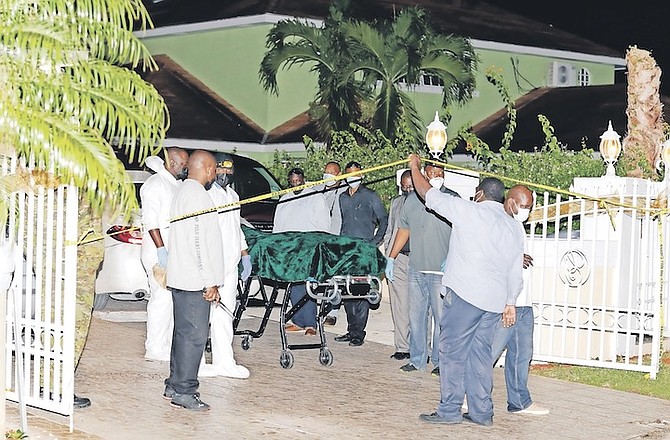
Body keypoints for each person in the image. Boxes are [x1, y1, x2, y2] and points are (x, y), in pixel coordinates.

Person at [409, 153, 527, 427]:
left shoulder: (468, 210)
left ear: (479, 194)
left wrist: (415, 166)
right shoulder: (513, 228)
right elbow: (514, 271)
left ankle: (449, 410)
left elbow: (427, 194)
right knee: (480, 355)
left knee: (451, 351)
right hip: (493, 303)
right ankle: (481, 412)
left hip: (465, 297)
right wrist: (510, 301)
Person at [164, 150, 223, 411]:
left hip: (183, 277)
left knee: (182, 334)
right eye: (214, 170)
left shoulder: (183, 191)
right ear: (208, 169)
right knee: (195, 337)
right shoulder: (197, 195)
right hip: (194, 281)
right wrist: (209, 280)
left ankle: (174, 383)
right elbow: (199, 243)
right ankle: (185, 391)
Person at [387, 164, 459, 376]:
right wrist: (390, 258)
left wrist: (454, 257)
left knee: (441, 318)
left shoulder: (452, 199)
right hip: (416, 268)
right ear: (424, 175)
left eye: (440, 174)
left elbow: (463, 231)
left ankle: (439, 360)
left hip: (441, 270)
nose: (437, 177)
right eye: (433, 174)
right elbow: (404, 229)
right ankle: (417, 358)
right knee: (416, 316)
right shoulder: (412, 200)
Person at [490, 185, 549, 416]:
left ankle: (519, 402)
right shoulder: (499, 224)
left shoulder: (518, 225)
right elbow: (489, 258)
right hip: (506, 303)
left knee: (522, 354)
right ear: (511, 202)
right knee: (490, 352)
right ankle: (469, 395)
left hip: (524, 303)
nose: (527, 211)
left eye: (530, 207)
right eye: (524, 206)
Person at [198, 154, 252, 379]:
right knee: (203, 316)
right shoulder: (205, 197)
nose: (225, 174)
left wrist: (244, 254)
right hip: (212, 265)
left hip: (230, 266)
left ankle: (225, 362)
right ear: (213, 170)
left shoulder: (233, 195)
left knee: (225, 315)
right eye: (221, 169)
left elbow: (235, 228)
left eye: (229, 170)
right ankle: (198, 363)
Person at [139, 147, 189, 362]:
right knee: (161, 299)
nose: (185, 169)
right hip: (158, 250)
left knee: (169, 301)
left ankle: (165, 345)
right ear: (171, 162)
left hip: (173, 250)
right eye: (183, 165)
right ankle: (154, 347)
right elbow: (151, 221)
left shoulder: (174, 184)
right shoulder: (155, 185)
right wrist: (161, 250)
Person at [335, 161, 388, 347]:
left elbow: (383, 220)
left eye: (355, 173)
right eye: (348, 174)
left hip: (364, 250)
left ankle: (359, 333)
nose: (352, 177)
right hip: (346, 250)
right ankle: (351, 330)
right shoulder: (342, 197)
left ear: (362, 175)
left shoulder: (370, 196)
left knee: (361, 290)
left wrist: (374, 243)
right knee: (347, 290)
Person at [273, 167, 330, 335]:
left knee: (308, 286)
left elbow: (324, 226)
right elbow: (278, 227)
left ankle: (311, 324)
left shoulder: (316, 197)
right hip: (290, 250)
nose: (296, 184)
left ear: (304, 180)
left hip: (309, 249)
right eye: (292, 182)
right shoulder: (284, 199)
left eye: (298, 181)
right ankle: (298, 321)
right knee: (294, 286)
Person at [383, 170, 412, 360]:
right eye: (404, 187)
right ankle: (402, 347)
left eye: (411, 186)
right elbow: (390, 230)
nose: (407, 190)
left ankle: (421, 347)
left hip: (420, 258)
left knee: (419, 307)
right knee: (399, 304)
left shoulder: (426, 203)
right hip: (398, 258)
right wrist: (388, 255)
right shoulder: (396, 202)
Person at [318, 161, 346, 326]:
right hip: (323, 240)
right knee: (325, 277)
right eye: (326, 172)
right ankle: (323, 306)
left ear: (339, 174)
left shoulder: (344, 192)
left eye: (331, 173)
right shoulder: (320, 190)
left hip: (338, 241)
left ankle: (333, 311)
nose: (327, 175)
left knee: (336, 278)